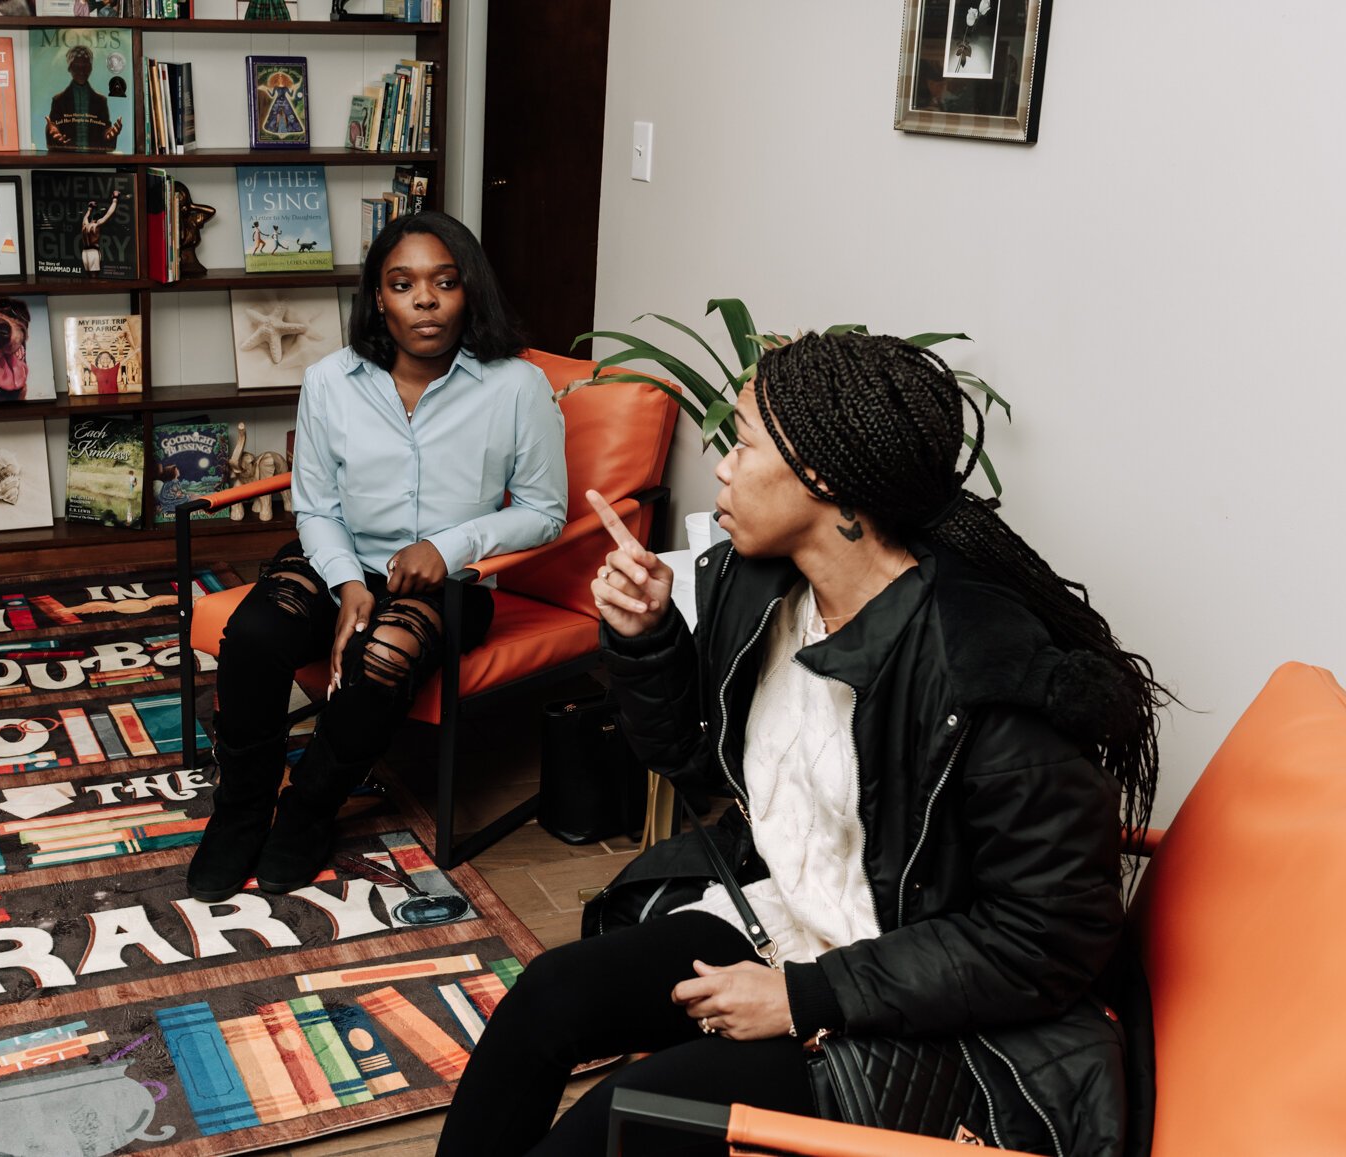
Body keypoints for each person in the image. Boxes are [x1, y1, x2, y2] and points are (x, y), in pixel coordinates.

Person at [437, 331, 1168, 1156]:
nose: (720, 467)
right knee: (547, 997)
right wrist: (647, 637)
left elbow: (1048, 937)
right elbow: (694, 759)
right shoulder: (764, 586)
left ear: (821, 476)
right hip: (788, 914)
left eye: (742, 443)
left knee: (620, 1118)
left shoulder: (985, 669)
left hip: (923, 1001)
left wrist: (803, 997)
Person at [185, 211, 568, 903]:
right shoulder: (330, 380)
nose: (425, 300)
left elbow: (545, 510)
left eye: (444, 282)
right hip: (341, 555)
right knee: (254, 633)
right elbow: (315, 506)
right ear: (378, 298)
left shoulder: (517, 386)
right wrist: (345, 583)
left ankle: (306, 810)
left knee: (386, 654)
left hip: (452, 584)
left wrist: (447, 545)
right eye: (403, 284)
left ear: (469, 291)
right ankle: (240, 810)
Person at [44, 45, 122, 153]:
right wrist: (51, 131)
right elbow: (53, 129)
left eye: (85, 66)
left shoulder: (101, 101)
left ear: (90, 68)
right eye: (76, 66)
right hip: (66, 159)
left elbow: (105, 131)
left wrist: (109, 135)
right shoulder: (58, 101)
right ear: (70, 68)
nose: (81, 71)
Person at [78, 190, 120, 275]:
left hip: (84, 252)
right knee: (94, 276)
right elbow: (109, 214)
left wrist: (89, 209)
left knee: (88, 275)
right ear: (98, 219)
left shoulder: (85, 225)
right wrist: (115, 199)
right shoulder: (96, 225)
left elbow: (86, 216)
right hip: (93, 252)